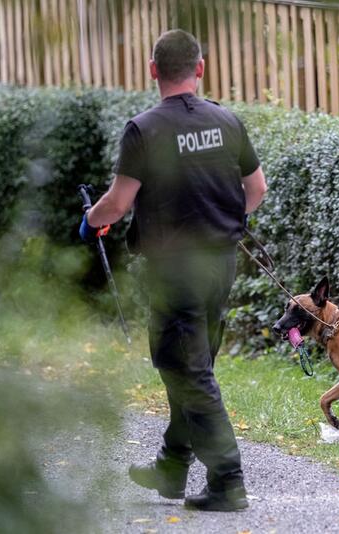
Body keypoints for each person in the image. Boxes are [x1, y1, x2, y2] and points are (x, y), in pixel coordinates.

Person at [79, 29, 267, 512]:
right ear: (200, 68)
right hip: (222, 264)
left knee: (185, 369)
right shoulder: (227, 122)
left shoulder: (144, 129)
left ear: (152, 70)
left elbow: (117, 204)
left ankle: (228, 480)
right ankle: (172, 465)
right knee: (193, 366)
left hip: (174, 269)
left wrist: (90, 221)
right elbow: (257, 189)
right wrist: (230, 219)